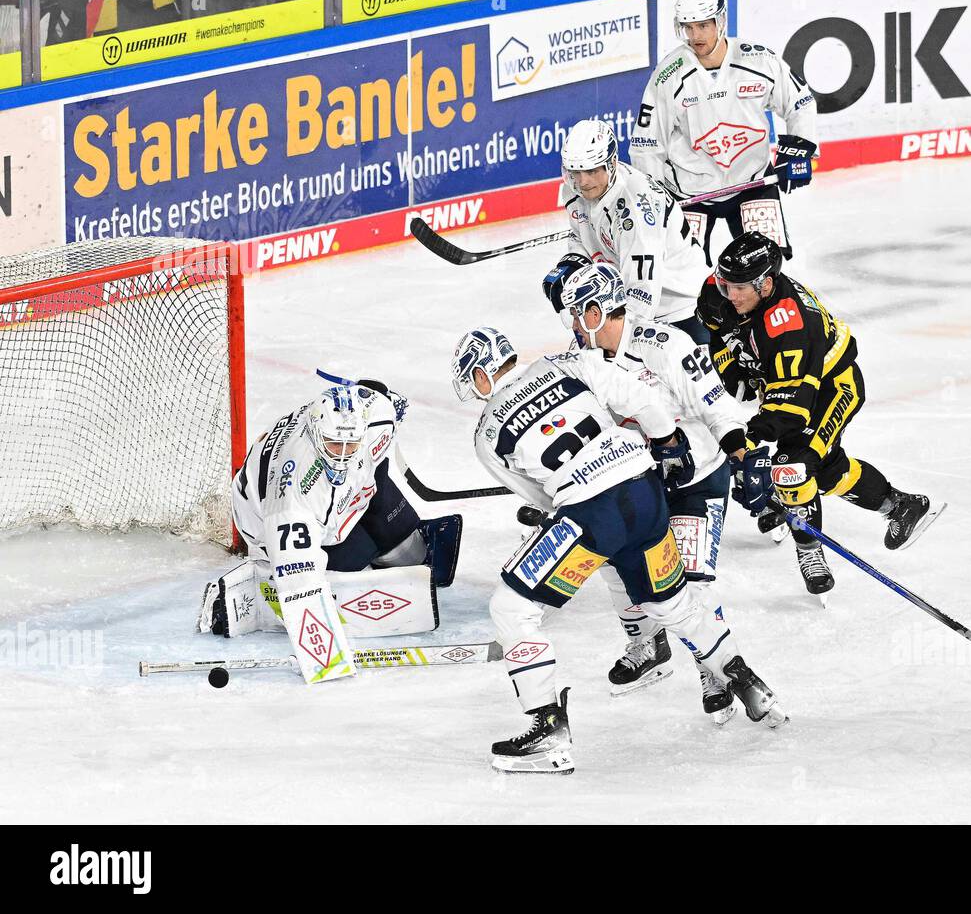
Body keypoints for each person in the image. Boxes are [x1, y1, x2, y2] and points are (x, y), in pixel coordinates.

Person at [452, 325, 787, 774]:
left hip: (592, 515)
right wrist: (667, 441)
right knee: (674, 605)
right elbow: (641, 398)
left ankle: (547, 727)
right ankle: (747, 681)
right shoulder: (563, 363)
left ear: (479, 376)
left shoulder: (486, 433)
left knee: (512, 610)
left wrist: (567, 518)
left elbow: (541, 499)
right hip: (645, 492)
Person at [698, 232, 942, 601]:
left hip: (829, 388)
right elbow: (714, 329)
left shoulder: (791, 326)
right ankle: (900, 505)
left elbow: (791, 408)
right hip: (789, 384)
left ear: (765, 284)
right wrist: (734, 370)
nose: (729, 295)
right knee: (824, 471)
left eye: (739, 288)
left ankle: (810, 552)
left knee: (793, 467)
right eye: (725, 283)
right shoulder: (723, 288)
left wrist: (748, 439)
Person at [558, 261, 752, 721]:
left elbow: (718, 406)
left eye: (577, 313)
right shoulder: (581, 355)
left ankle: (713, 665)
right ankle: (646, 643)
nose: (572, 325)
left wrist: (743, 456)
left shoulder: (666, 345)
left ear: (600, 310)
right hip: (634, 479)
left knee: (691, 584)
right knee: (611, 562)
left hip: (695, 476)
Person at [197, 376, 462, 685]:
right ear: (314, 433)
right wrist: (325, 658)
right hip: (271, 520)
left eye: (352, 445)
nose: (343, 455)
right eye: (335, 444)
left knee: (410, 547)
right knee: (355, 564)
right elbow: (301, 583)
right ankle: (262, 591)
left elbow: (380, 398)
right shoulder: (291, 499)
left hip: (344, 498)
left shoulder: (374, 418)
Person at [629, 0, 817, 264]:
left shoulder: (757, 60)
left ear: (721, 21)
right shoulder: (668, 75)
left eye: (703, 25)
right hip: (688, 192)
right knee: (684, 279)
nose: (695, 36)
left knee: (764, 273)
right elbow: (647, 143)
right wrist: (654, 200)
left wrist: (798, 149)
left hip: (753, 182)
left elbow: (800, 101)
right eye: (689, 27)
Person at [545, 119, 710, 342]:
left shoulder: (635, 211)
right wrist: (574, 263)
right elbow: (580, 234)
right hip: (634, 300)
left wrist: (617, 348)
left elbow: (642, 295)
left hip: (681, 309)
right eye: (575, 171)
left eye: (592, 171)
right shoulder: (576, 188)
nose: (583, 181)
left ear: (611, 164)